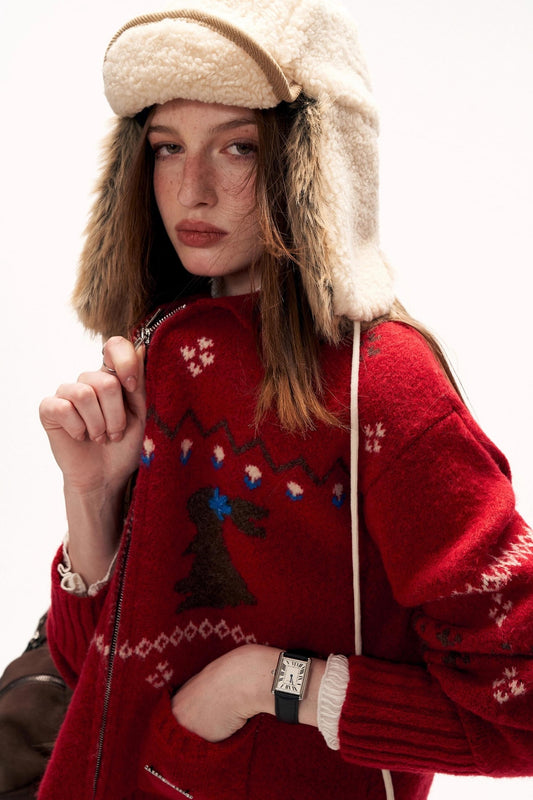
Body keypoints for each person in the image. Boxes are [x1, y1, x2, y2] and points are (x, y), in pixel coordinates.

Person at [37, 0, 533, 798]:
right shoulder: (165, 347)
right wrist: (91, 500)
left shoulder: (382, 384)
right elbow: (92, 672)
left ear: (315, 165)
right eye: (167, 147)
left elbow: (519, 706)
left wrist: (267, 683)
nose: (191, 189)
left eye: (239, 146)